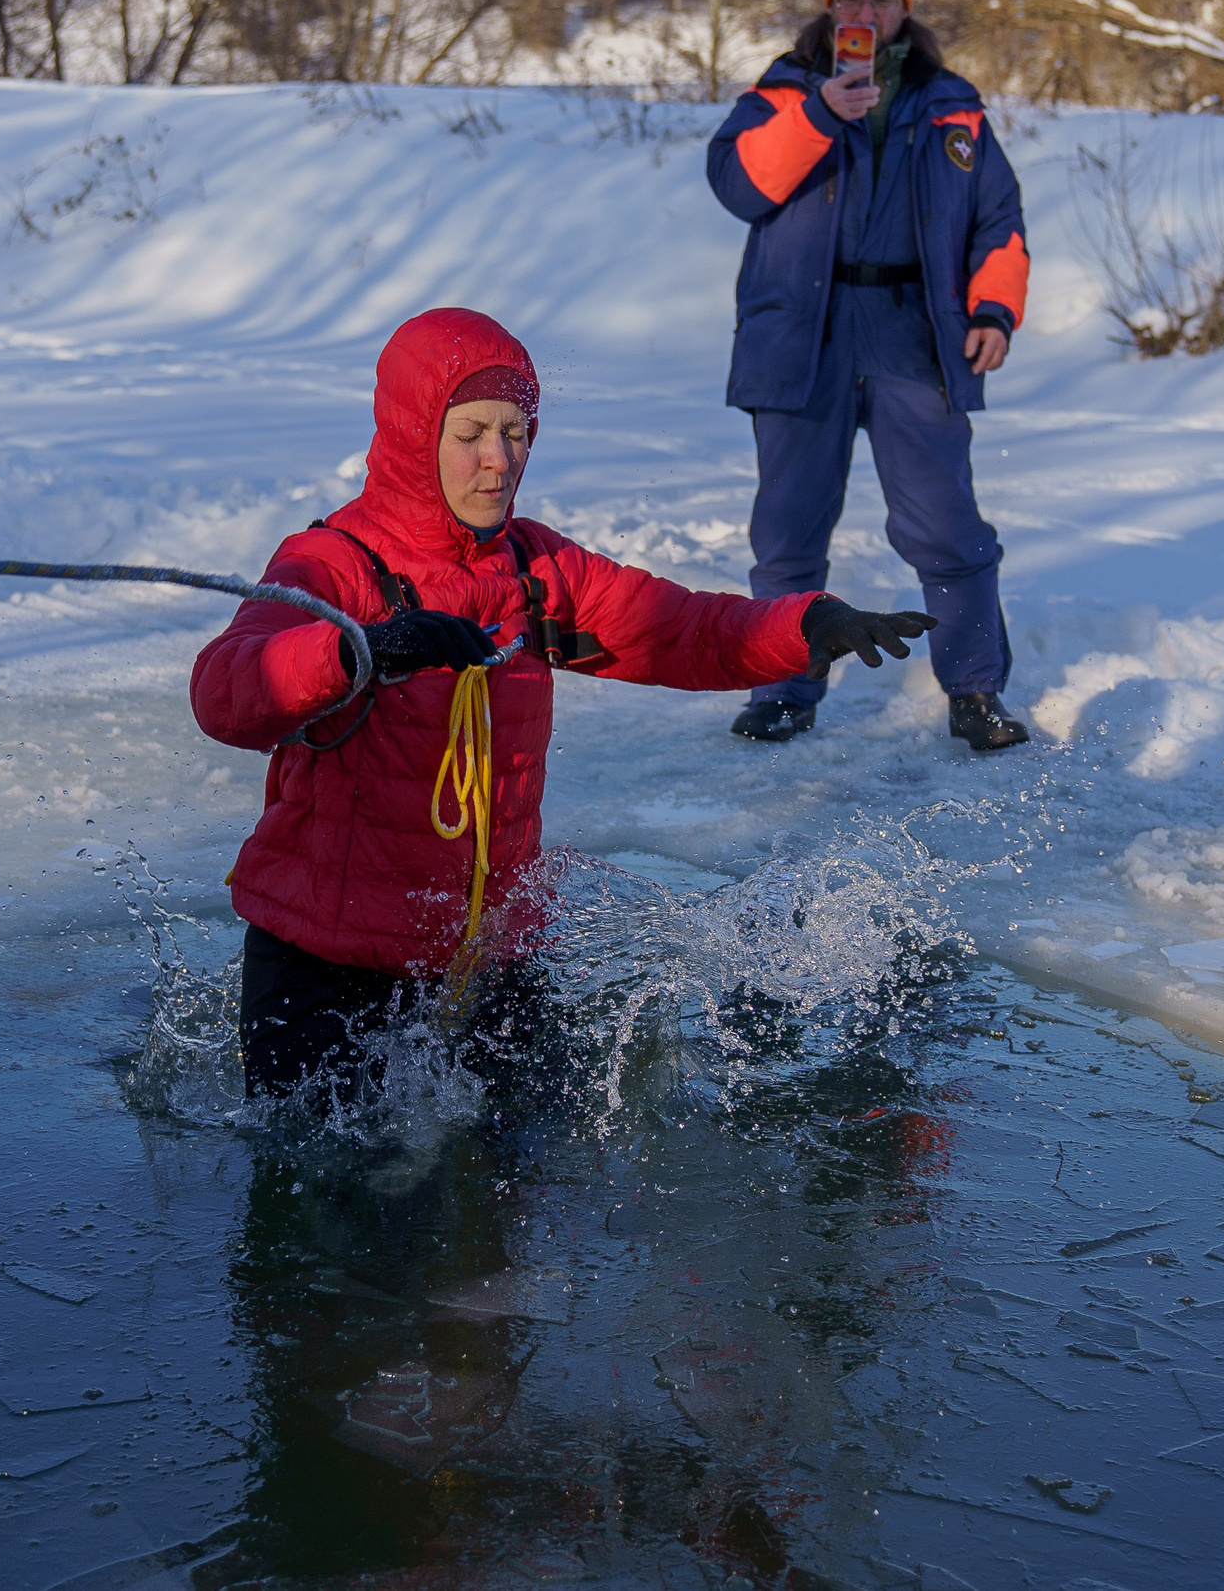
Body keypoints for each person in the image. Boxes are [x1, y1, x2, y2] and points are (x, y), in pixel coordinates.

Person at [191, 308, 935, 1098]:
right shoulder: (331, 566)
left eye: (515, 432)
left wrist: (803, 623)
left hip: (485, 964)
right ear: (416, 434)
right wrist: (359, 651)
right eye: (472, 431)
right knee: (327, 1204)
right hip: (324, 964)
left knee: (514, 1189)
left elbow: (679, 629)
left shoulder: (534, 568)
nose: (497, 460)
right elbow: (226, 694)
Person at [707, 0, 1034, 754]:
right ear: (828, 4)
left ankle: (975, 691)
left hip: (910, 335)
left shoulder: (951, 107)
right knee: (788, 529)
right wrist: (819, 114)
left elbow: (998, 222)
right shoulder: (783, 91)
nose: (864, 11)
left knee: (947, 527)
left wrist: (994, 311)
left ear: (904, 6)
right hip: (802, 338)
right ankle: (784, 688)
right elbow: (738, 185)